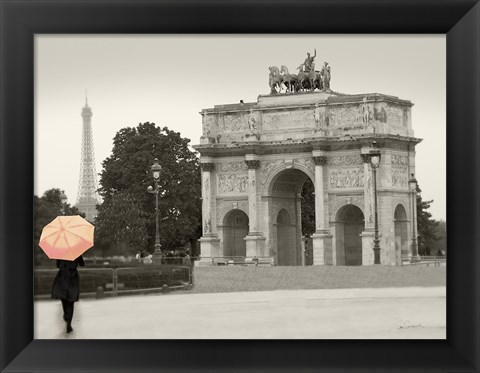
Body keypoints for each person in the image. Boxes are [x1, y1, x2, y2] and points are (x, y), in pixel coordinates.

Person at [51, 255, 85, 333]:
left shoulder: (60, 251)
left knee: (63, 298)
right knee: (71, 300)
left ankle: (66, 315)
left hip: (62, 275)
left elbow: (57, 265)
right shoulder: (77, 251)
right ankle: (69, 322)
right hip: (73, 276)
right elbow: (82, 264)